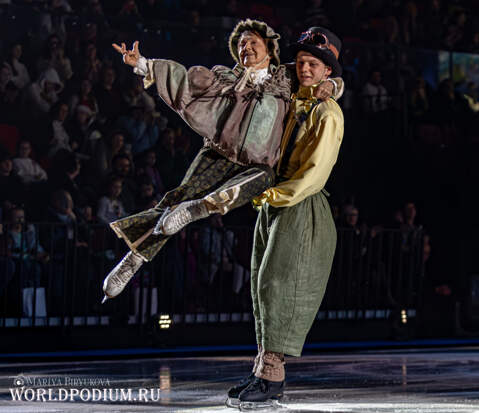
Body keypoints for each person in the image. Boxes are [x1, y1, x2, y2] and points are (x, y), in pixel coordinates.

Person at [102, 19, 342, 302]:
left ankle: (199, 209)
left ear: (269, 48)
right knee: (175, 202)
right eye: (241, 43)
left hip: (256, 164)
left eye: (253, 42)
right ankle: (133, 259)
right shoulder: (225, 79)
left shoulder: (286, 78)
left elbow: (319, 77)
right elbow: (185, 80)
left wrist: (333, 84)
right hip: (218, 154)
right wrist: (143, 64)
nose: (246, 47)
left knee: (265, 176)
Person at [227, 27, 344, 409]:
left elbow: (314, 174)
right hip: (275, 202)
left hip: (299, 203)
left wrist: (273, 196)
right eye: (302, 63)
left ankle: (272, 377)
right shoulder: (295, 98)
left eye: (314, 65)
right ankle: (262, 369)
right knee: (263, 286)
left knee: (279, 286)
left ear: (327, 71)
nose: (305, 69)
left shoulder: (327, 112)